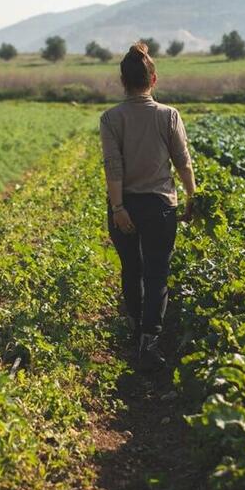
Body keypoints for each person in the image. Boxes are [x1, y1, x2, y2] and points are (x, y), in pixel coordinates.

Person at [100, 42, 196, 370]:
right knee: (157, 273)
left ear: (123, 82)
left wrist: (118, 208)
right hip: (160, 207)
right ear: (153, 79)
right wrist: (192, 196)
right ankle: (150, 338)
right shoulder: (169, 116)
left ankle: (134, 328)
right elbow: (183, 163)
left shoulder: (111, 118)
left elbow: (113, 166)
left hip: (125, 206)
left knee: (132, 269)